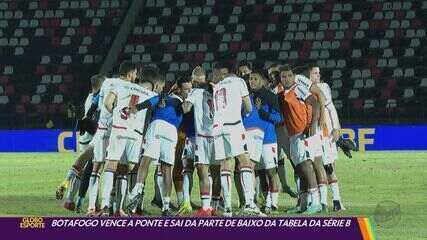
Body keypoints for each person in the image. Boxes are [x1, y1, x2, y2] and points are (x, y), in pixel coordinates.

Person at [126, 76, 191, 216]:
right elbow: (185, 110)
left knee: (146, 160)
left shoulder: (163, 97)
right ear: (179, 88)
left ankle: (136, 192)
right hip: (171, 130)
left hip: (159, 127)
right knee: (167, 168)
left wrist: (135, 108)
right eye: (186, 89)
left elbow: (149, 103)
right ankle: (166, 207)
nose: (188, 91)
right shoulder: (183, 100)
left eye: (189, 89)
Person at [211, 61, 263, 216]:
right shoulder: (239, 81)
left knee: (225, 164)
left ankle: (227, 207)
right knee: (245, 161)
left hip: (217, 128)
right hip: (233, 124)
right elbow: (249, 107)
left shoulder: (217, 86)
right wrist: (246, 112)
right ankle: (249, 203)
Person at [86, 62, 133, 216]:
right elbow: (110, 104)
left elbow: (99, 103)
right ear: (130, 73)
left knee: (97, 167)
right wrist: (118, 116)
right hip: (118, 131)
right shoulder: (128, 87)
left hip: (103, 128)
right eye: (135, 73)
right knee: (121, 170)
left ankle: (93, 206)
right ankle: (116, 208)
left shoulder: (107, 82)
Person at [278, 64, 326, 215]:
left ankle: (316, 202)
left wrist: (312, 124)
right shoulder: (283, 93)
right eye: (283, 77)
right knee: (299, 168)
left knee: (306, 166)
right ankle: (303, 203)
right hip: (293, 135)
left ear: (294, 77)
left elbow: (315, 102)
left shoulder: (298, 88)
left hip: (303, 133)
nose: (286, 79)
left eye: (289, 76)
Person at [57, 74, 105, 211]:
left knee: (81, 170)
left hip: (84, 138)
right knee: (94, 170)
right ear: (101, 85)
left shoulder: (89, 98)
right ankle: (94, 204)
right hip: (93, 136)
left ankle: (69, 199)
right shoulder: (98, 98)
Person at [307, 64, 345, 211]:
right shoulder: (304, 88)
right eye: (315, 73)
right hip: (312, 133)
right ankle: (322, 202)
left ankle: (336, 200)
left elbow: (331, 108)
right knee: (315, 167)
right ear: (308, 75)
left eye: (319, 73)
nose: (318, 75)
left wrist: (336, 127)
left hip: (325, 132)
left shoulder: (324, 87)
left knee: (328, 166)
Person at [249, 71, 282, 213]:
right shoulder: (248, 97)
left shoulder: (270, 96)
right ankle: (254, 201)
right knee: (255, 172)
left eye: (255, 78)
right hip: (252, 139)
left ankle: (272, 202)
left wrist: (264, 113)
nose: (252, 81)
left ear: (262, 80)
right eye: (250, 79)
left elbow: (279, 118)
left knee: (271, 171)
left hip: (268, 139)